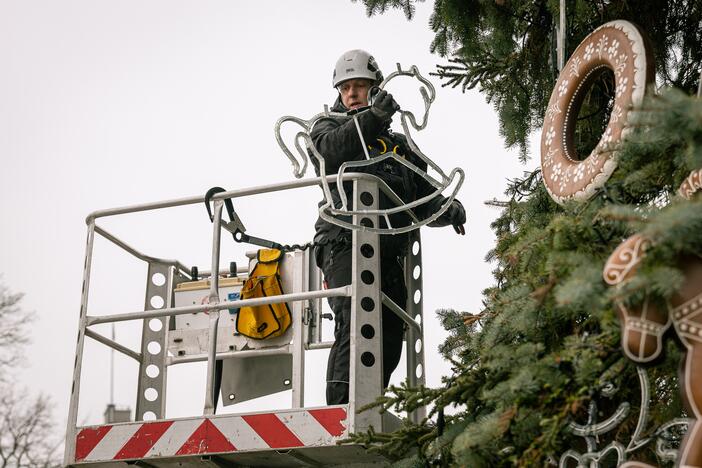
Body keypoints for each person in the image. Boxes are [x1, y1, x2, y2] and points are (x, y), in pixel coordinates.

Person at [311, 49, 466, 405]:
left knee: (391, 333)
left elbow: (421, 195)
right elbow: (333, 152)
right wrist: (374, 118)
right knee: (356, 322)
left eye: (360, 86)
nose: (352, 93)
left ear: (375, 88)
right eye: (346, 87)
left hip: (388, 251)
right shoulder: (326, 127)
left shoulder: (398, 147)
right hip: (344, 243)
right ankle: (340, 412)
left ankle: (369, 408)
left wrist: (448, 208)